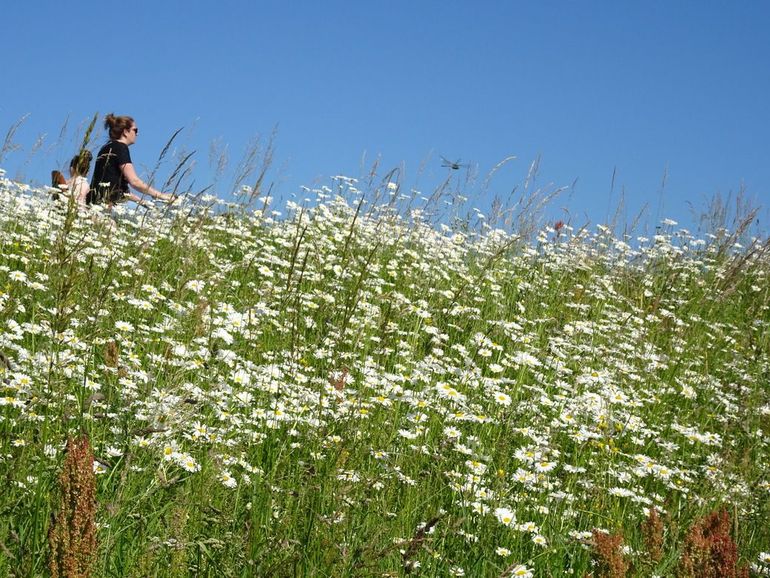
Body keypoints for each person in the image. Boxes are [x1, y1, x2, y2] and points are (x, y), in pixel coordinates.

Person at [87, 114, 174, 206]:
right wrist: (161, 195)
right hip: (111, 204)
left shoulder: (105, 148)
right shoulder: (121, 148)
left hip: (95, 202)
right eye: (135, 130)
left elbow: (117, 187)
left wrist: (141, 201)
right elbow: (134, 181)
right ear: (125, 132)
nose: (137, 134)